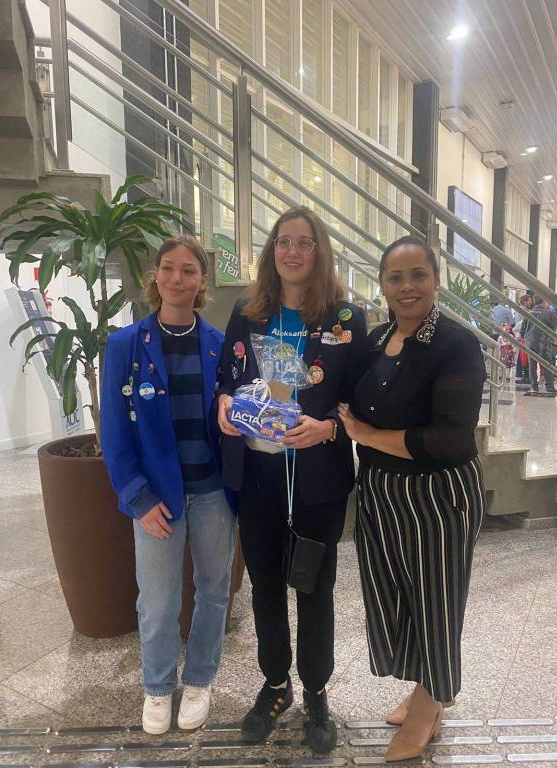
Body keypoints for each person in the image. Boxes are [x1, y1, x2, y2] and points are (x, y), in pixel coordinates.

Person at [217, 206, 366, 754]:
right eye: (284, 241)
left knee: (315, 590)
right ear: (271, 251)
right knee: (264, 587)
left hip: (317, 481)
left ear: (319, 252)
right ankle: (276, 685)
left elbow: (359, 400)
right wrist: (225, 403)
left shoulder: (346, 320)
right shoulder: (248, 312)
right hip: (258, 477)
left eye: (305, 242)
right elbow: (227, 378)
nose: (293, 251)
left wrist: (328, 429)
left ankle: (317, 691)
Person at [337, 235, 486, 762]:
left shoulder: (455, 344)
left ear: (436, 280)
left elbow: (449, 438)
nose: (407, 287)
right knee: (398, 597)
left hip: (436, 496)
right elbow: (350, 402)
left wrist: (367, 437)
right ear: (382, 284)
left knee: (436, 601)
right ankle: (427, 684)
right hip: (381, 492)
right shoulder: (377, 339)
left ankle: (431, 702)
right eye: (395, 277)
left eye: (418, 274)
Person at [101, 235, 236, 735]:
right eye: (168, 268)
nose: (177, 279)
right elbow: (114, 430)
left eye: (188, 270)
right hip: (156, 496)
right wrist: (138, 497)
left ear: (202, 281)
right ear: (155, 276)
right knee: (157, 601)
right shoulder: (125, 345)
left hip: (214, 492)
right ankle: (157, 687)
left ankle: (199, 679)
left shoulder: (221, 345)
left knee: (213, 591)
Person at [524, 295, 557, 394]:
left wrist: (527, 339)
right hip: (543, 343)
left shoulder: (529, 313)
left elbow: (522, 330)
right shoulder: (548, 313)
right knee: (547, 364)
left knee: (532, 365)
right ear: (544, 301)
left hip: (530, 343)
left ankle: (534, 387)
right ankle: (549, 386)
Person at [514, 294, 533, 383]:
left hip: (523, 334)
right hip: (522, 335)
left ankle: (521, 373)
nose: (531, 302)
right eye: (529, 300)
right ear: (525, 302)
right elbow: (521, 324)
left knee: (522, 355)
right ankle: (519, 373)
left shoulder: (525, 310)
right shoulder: (522, 311)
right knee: (521, 355)